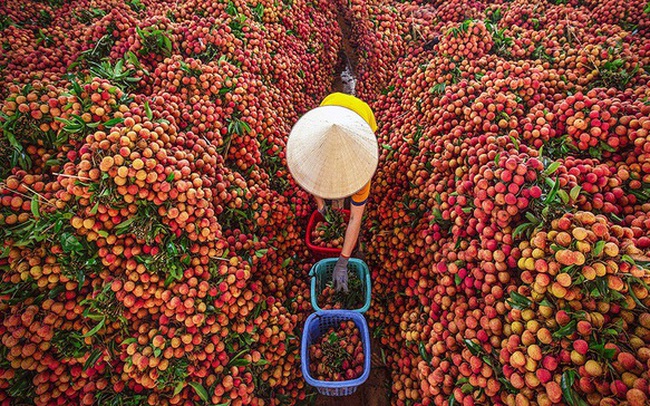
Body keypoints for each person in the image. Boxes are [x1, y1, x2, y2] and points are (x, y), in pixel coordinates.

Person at [286, 92, 379, 292]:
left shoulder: (362, 176)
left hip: (363, 115)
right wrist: (321, 205)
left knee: (367, 147)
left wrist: (343, 261)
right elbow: (310, 177)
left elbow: (355, 219)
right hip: (330, 106)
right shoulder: (314, 155)